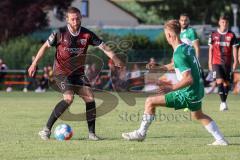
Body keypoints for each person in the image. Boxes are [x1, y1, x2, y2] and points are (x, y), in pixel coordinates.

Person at [122, 19, 228, 146]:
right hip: (198, 90)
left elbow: (188, 79)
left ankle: (141, 133)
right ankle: (221, 140)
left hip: (188, 92)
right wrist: (159, 68)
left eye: (166, 34)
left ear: (169, 35)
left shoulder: (178, 53)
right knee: (198, 115)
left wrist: (171, 87)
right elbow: (176, 64)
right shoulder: (186, 48)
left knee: (150, 101)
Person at [28, 7, 123, 141]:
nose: (75, 21)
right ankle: (46, 130)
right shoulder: (59, 33)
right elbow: (44, 47)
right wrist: (34, 63)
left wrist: (115, 58)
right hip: (61, 72)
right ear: (67, 19)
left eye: (78, 18)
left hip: (78, 73)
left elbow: (103, 46)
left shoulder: (87, 34)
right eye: (72, 19)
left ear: (81, 18)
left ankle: (92, 134)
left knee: (90, 98)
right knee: (69, 98)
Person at [208, 15, 238, 111]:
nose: (224, 24)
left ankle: (224, 102)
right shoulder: (213, 34)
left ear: (228, 23)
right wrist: (209, 61)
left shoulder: (232, 35)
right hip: (216, 62)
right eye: (222, 22)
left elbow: (234, 48)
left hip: (227, 63)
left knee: (226, 83)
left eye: (226, 22)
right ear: (219, 23)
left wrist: (236, 61)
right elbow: (211, 49)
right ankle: (223, 103)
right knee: (219, 81)